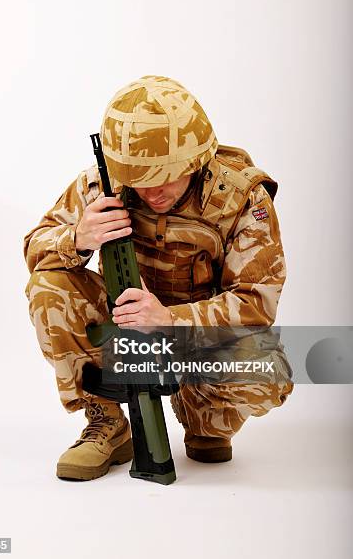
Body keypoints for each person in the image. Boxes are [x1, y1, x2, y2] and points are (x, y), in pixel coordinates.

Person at [24, 75, 293, 481]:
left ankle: (203, 411)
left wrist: (168, 319)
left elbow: (256, 305)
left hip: (194, 338)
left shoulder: (239, 199)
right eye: (140, 177)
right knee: (49, 286)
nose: (152, 191)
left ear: (196, 161)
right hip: (124, 333)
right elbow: (35, 249)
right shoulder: (104, 185)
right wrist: (77, 238)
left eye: (165, 175)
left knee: (268, 369)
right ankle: (108, 423)